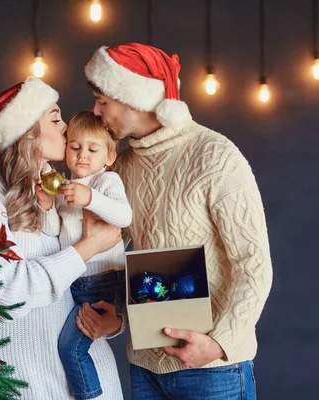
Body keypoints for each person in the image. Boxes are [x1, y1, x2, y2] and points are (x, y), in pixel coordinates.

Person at [81, 42, 273, 399]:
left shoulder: (216, 157)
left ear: (132, 97)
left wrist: (218, 343)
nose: (95, 111)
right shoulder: (121, 166)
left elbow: (254, 264)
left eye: (102, 101)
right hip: (143, 368)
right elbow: (114, 254)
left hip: (211, 370)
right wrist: (119, 316)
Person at [0, 77, 125, 400]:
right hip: (28, 381)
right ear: (26, 131)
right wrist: (87, 247)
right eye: (55, 118)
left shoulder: (62, 191)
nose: (67, 128)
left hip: (94, 379)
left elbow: (87, 282)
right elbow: (1, 290)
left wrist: (113, 322)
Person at [37, 111, 132, 400]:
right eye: (75, 147)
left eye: (93, 149)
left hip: (104, 282)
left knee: (70, 348)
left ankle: (90, 396)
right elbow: (55, 232)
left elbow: (124, 215)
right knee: (63, 345)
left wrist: (90, 198)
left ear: (109, 156)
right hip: (77, 284)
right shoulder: (66, 189)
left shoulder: (106, 181)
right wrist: (47, 207)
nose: (82, 156)